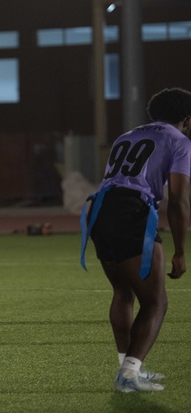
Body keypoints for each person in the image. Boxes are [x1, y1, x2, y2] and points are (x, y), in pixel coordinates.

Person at [81, 87, 190, 393]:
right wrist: (180, 250)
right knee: (156, 301)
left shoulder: (125, 135)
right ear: (187, 118)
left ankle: (128, 368)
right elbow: (179, 200)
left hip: (100, 208)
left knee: (123, 291)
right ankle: (130, 372)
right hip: (132, 212)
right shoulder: (178, 140)